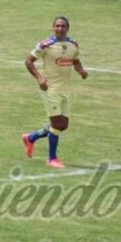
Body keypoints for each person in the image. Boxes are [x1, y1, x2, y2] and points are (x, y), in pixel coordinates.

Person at [22, 16, 87, 168]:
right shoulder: (45, 45)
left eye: (63, 26)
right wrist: (39, 78)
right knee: (57, 124)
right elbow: (28, 61)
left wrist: (81, 71)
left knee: (63, 125)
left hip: (65, 90)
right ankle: (52, 158)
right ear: (53, 27)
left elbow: (76, 61)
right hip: (50, 89)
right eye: (57, 26)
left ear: (67, 28)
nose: (60, 28)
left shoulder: (73, 44)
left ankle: (30, 138)